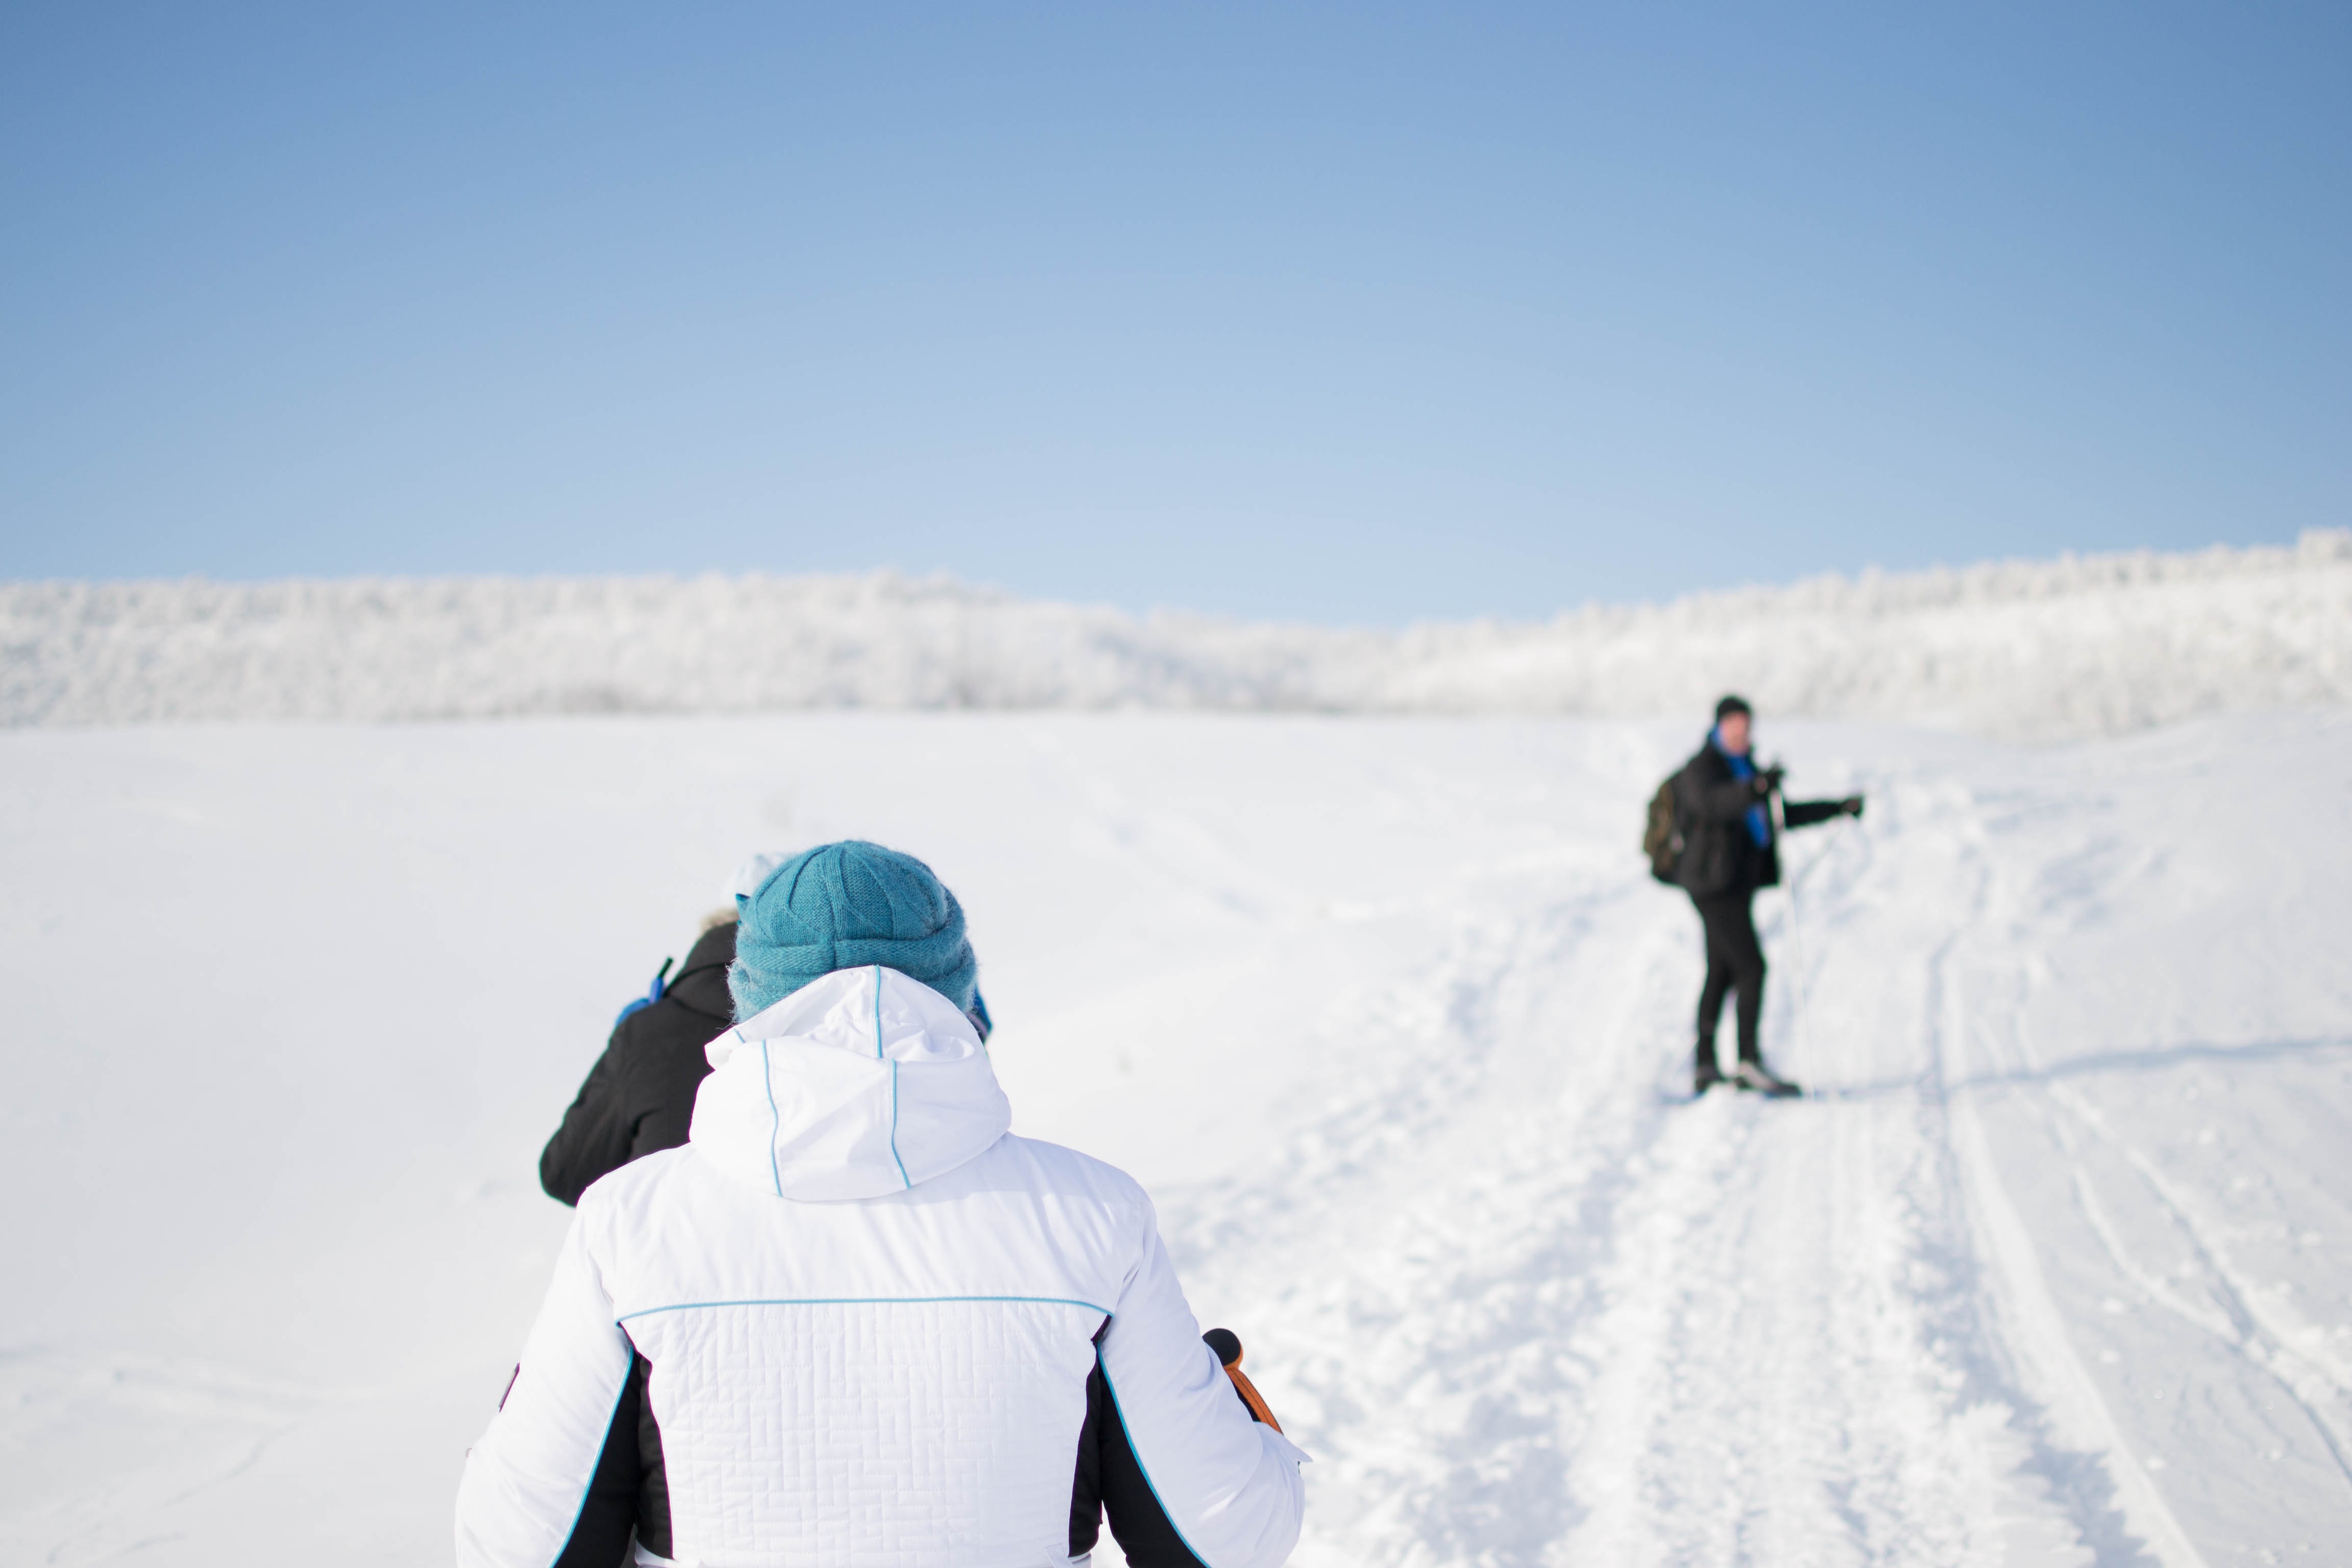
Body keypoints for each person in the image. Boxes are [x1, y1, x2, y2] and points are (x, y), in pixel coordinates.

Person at [459, 840, 1306, 1567]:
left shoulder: (629, 1221)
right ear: (961, 995)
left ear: (749, 996)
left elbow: (522, 1545)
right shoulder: (1092, 1213)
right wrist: (1229, 1413)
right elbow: (1221, 1540)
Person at [1671, 696, 1863, 1096]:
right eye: (1733, 727)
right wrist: (1755, 787)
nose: (1741, 734)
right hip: (1712, 885)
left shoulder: (1747, 770)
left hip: (1735, 885)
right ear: (1719, 727)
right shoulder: (1702, 768)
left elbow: (1776, 813)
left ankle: (1706, 1064)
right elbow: (1714, 804)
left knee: (1722, 971)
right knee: (1752, 967)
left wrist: (1836, 808)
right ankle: (1747, 1061)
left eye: (1746, 728)